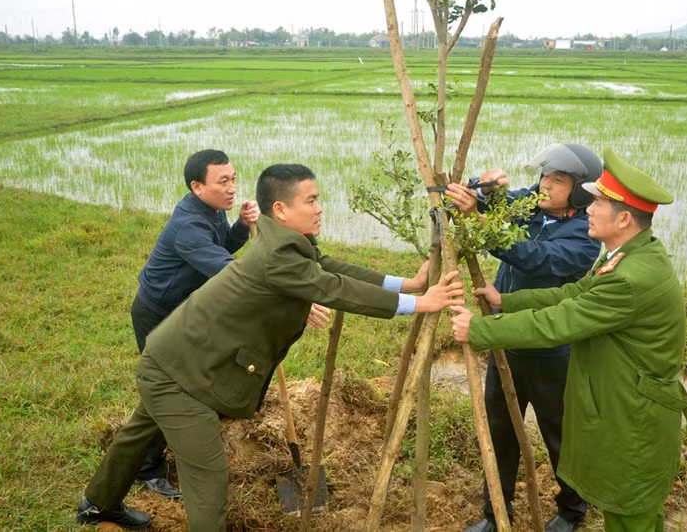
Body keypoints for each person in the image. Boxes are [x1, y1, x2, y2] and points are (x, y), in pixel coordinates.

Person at [75, 163, 465, 530]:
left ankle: (97, 504)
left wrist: (407, 284)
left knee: (138, 436)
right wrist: (419, 303)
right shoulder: (278, 254)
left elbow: (327, 267)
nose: (319, 208)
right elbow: (334, 288)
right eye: (311, 200)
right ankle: (106, 505)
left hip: (180, 357)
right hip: (178, 376)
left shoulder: (287, 240)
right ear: (280, 209)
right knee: (209, 475)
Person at [451, 148, 687, 532]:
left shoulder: (625, 274)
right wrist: (507, 300)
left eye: (597, 202)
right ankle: (496, 512)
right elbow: (573, 294)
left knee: (625, 503)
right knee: (633, 506)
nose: (590, 209)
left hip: (629, 413)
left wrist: (480, 330)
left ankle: (571, 511)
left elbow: (560, 319)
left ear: (623, 218)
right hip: (623, 403)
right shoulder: (628, 255)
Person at [129, 150, 329, 498]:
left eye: (233, 179)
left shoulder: (212, 210)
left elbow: (222, 244)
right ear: (197, 187)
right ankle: (148, 469)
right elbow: (228, 270)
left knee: (189, 382)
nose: (232, 187)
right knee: (167, 389)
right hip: (159, 314)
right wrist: (293, 295)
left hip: (187, 311)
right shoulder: (188, 227)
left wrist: (238, 226)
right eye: (223, 181)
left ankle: (176, 438)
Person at [445, 144, 602, 532]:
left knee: (559, 435)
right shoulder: (530, 203)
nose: (545, 184)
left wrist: (483, 223)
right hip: (506, 341)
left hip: (552, 353)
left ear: (580, 192)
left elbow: (536, 258)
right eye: (545, 175)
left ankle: (572, 510)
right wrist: (482, 186)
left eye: (558, 180)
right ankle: (495, 512)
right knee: (500, 433)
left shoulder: (585, 235)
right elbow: (478, 202)